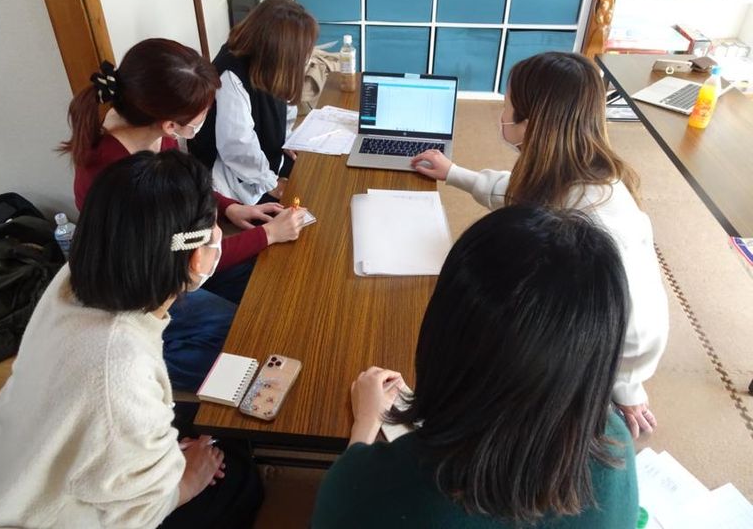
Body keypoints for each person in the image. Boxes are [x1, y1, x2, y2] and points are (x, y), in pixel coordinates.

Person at [0, 150, 262, 528]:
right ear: (198, 257)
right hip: (32, 515)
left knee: (206, 431)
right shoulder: (119, 363)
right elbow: (142, 513)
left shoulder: (74, 277)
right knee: (239, 479)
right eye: (215, 233)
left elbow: (107, 412)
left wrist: (155, 453)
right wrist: (188, 476)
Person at [313, 207, 639, 528]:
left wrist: (367, 422)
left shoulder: (373, 489)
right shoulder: (615, 446)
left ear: (441, 334)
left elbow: (346, 491)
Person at [411, 51, 668, 439]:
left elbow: (643, 320)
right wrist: (456, 174)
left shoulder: (600, 224)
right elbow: (520, 193)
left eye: (507, 104)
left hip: (571, 350)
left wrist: (627, 384)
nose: (501, 113)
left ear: (528, 124)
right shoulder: (569, 169)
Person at [60, 39, 307, 390]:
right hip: (140, 286)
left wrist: (230, 207)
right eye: (202, 115)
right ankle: (143, 366)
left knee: (266, 280)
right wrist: (268, 234)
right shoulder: (120, 177)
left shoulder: (143, 127)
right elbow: (185, 260)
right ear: (170, 125)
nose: (205, 119)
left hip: (173, 256)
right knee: (239, 336)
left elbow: (188, 209)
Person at [189, 0, 319, 204]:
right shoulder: (231, 73)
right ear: (277, 51)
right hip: (232, 174)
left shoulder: (269, 63)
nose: (305, 59)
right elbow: (237, 146)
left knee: (316, 174)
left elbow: (285, 105)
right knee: (305, 203)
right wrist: (271, 183)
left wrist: (287, 139)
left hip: (264, 154)